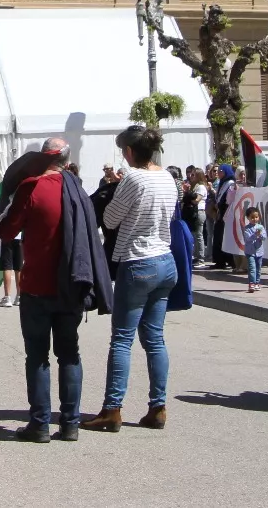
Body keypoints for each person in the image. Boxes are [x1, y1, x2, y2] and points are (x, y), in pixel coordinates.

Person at [0, 137, 111, 443]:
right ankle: (71, 423)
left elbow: (7, 231)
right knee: (69, 354)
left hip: (37, 285)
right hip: (73, 283)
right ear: (66, 159)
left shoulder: (31, 187)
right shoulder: (77, 188)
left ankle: (39, 424)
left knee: (37, 356)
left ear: (41, 158)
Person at [85, 124, 181, 433]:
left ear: (128, 151)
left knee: (122, 339)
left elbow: (110, 219)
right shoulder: (167, 177)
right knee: (155, 338)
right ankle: (158, 406)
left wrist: (115, 192)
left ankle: (112, 408)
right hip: (165, 258)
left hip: (137, 260)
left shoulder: (134, 179)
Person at [242, 207, 265, 292]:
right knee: (252, 268)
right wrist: (255, 235)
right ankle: (251, 283)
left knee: (258, 269)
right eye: (252, 217)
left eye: (256, 217)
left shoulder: (261, 227)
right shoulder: (247, 228)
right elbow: (248, 238)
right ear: (248, 218)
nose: (255, 219)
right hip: (250, 252)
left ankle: (257, 283)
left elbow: (264, 237)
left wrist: (260, 235)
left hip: (259, 252)